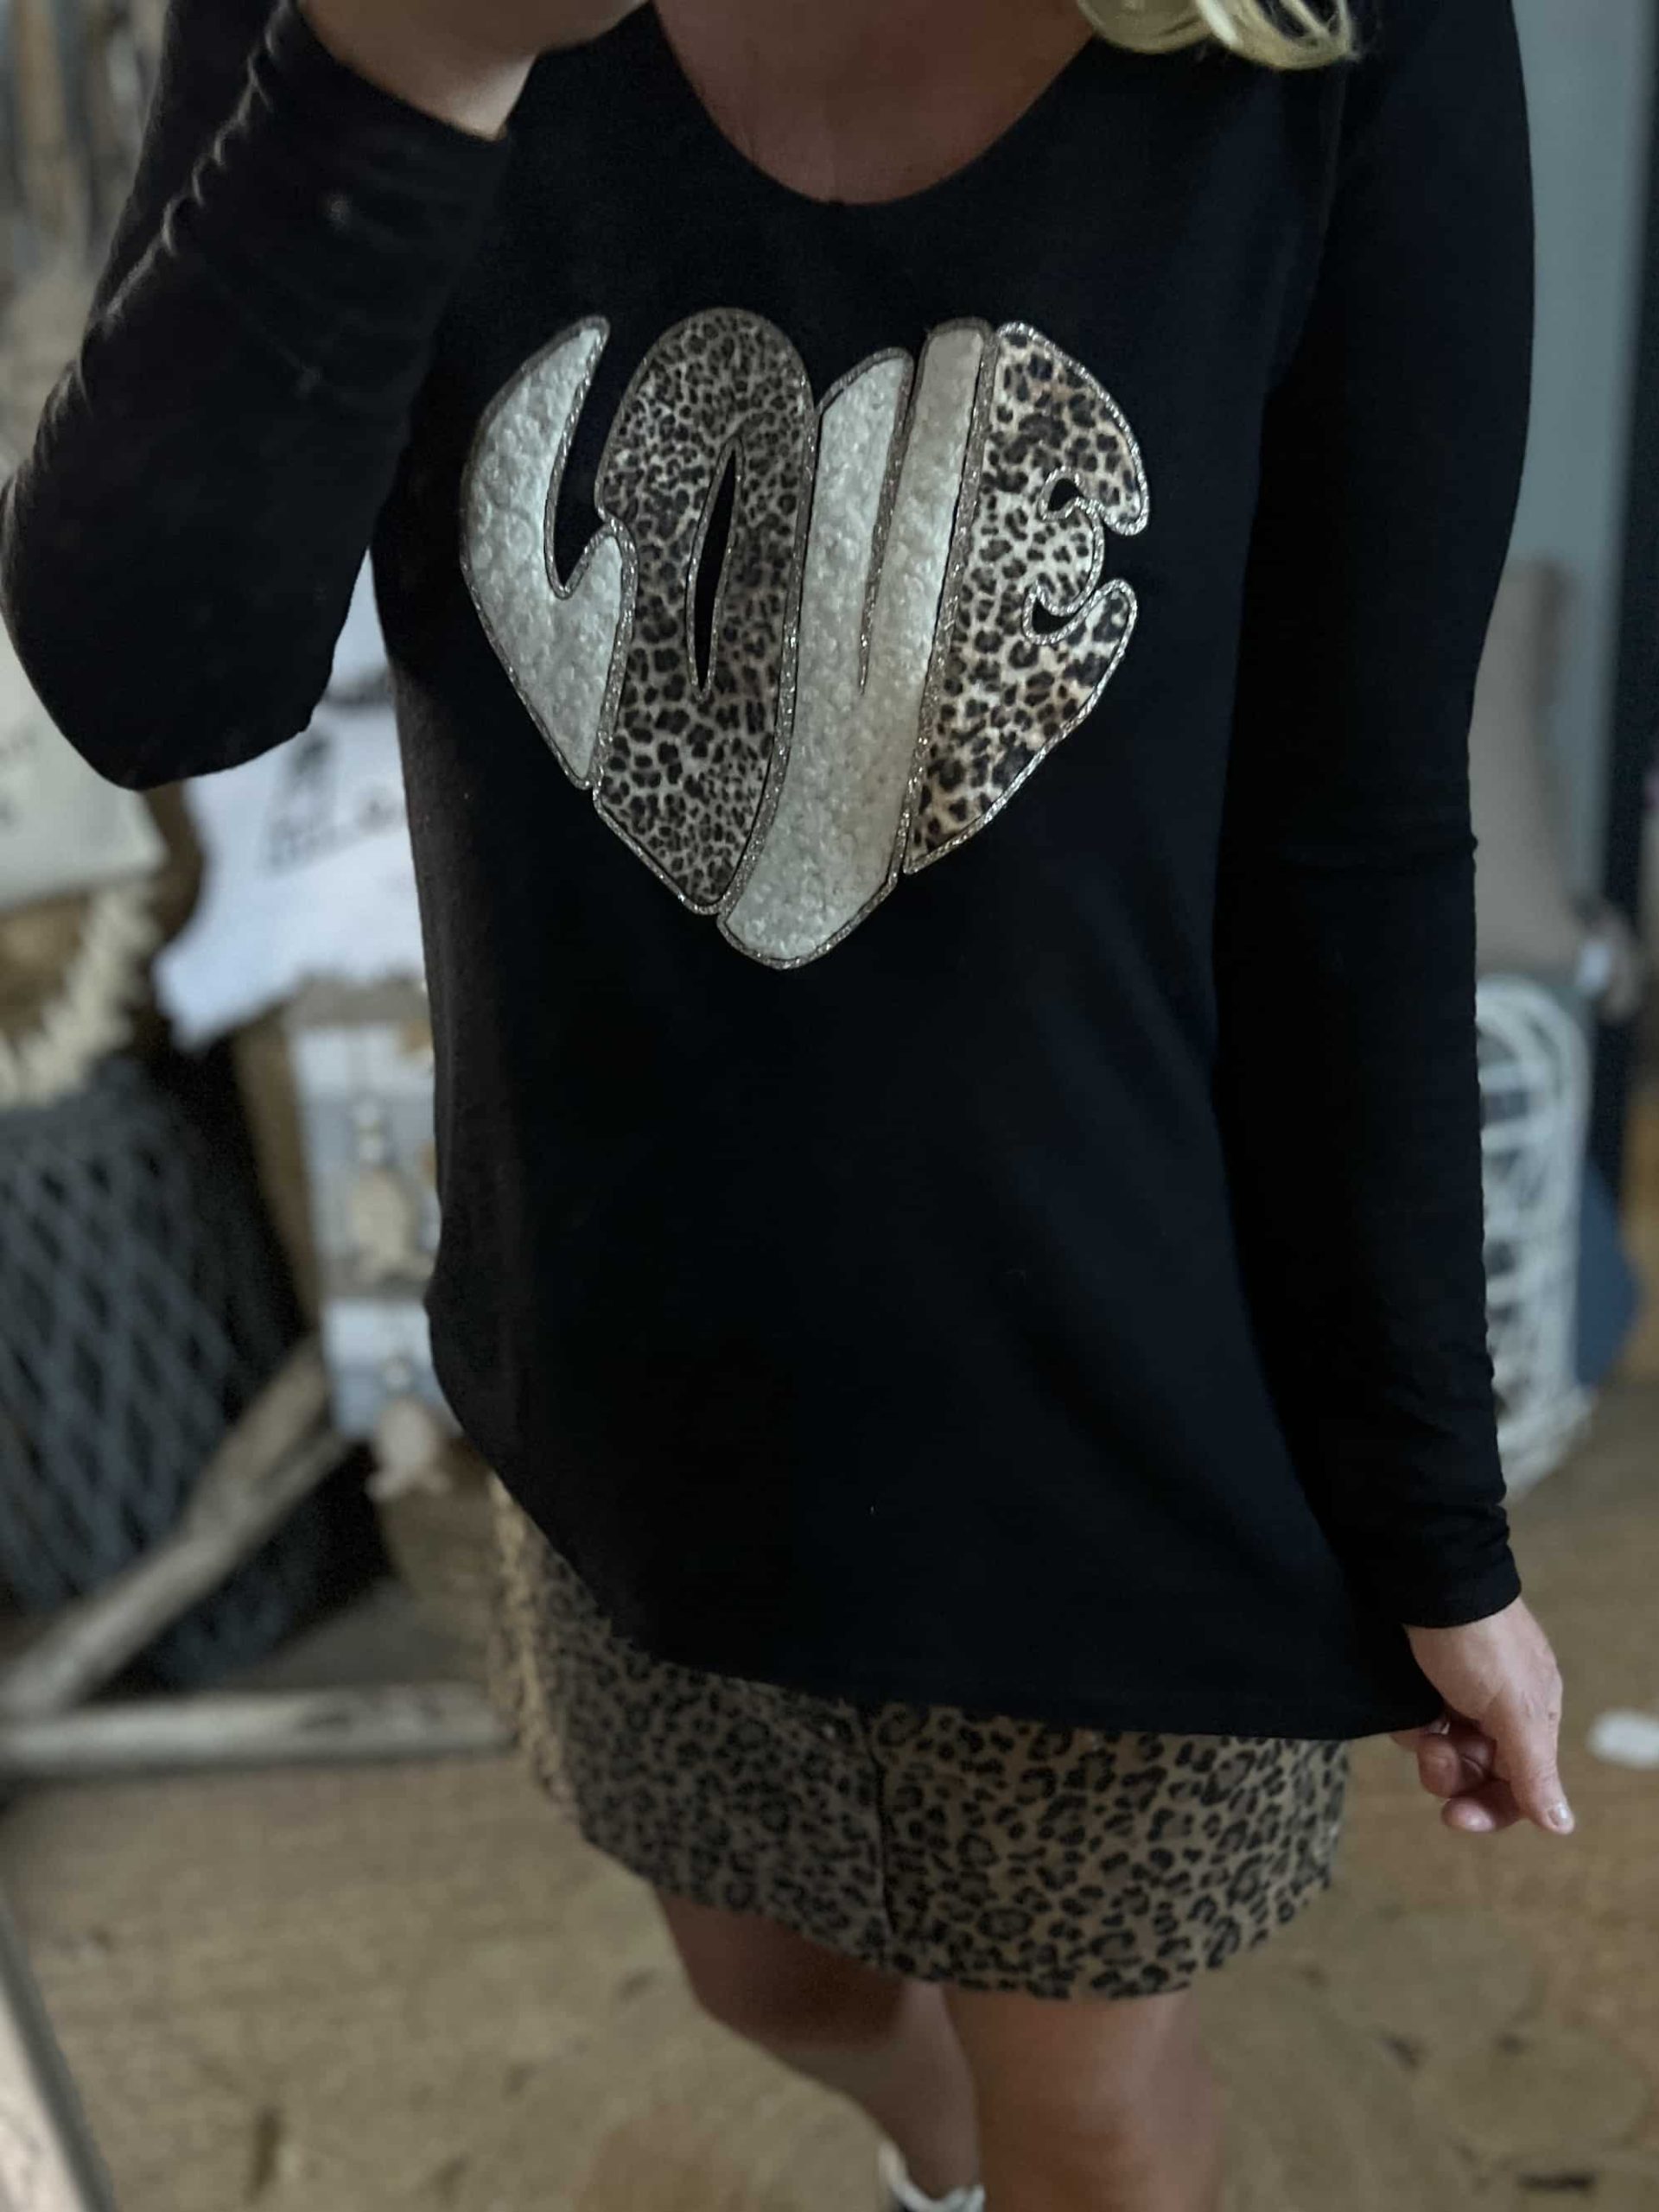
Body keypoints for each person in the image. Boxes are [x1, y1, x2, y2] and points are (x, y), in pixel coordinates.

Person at [0, 0, 1572, 2203]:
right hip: (635, 1361)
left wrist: (1433, 1517)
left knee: (1095, 2115)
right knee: (772, 1981)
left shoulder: (1337, 36)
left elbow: (1360, 833)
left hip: (1128, 1388)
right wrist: (406, 62)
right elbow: (151, 679)